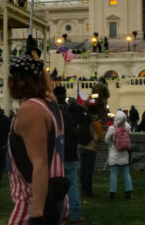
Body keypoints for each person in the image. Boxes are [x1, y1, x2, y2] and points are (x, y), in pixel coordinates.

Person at [6, 52, 67, 224]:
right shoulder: (50, 104)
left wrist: (37, 215)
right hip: (54, 198)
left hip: (32, 203)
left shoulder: (31, 110)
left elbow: (40, 163)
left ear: (19, 81)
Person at [53, 86, 84, 224]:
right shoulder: (70, 113)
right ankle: (75, 214)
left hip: (57, 154)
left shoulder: (52, 113)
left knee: (56, 185)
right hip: (70, 153)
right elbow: (77, 131)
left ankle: (59, 215)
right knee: (71, 184)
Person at [105, 110, 133, 199]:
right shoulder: (127, 126)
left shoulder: (112, 128)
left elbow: (106, 140)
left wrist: (111, 143)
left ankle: (112, 192)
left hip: (114, 154)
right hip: (124, 153)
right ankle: (128, 191)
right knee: (126, 173)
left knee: (113, 174)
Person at [78, 107, 102, 197]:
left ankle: (83, 189)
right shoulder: (95, 124)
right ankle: (88, 191)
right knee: (89, 171)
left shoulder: (83, 123)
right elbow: (99, 138)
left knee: (83, 170)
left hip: (82, 147)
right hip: (91, 148)